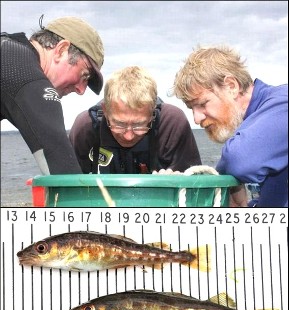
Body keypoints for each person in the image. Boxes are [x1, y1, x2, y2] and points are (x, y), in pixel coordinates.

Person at [171, 45, 288, 207]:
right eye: (192, 109)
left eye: (203, 104)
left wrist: (228, 179)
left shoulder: (283, 102)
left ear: (231, 86)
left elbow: (240, 160)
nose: (196, 119)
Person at [1, 15, 104, 174]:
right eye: (84, 75)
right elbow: (62, 168)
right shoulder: (23, 73)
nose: (81, 90)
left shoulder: (8, 52)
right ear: (61, 50)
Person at [69, 66, 202, 174]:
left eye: (139, 125)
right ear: (105, 111)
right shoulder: (85, 129)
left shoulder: (172, 124)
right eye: (119, 124)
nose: (128, 136)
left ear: (152, 112)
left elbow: (192, 191)